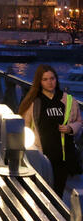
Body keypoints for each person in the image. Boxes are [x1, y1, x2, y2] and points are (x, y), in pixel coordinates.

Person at [19, 64, 83, 195]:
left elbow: (79, 122)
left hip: (63, 156)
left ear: (56, 79)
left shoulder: (69, 100)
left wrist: (70, 128)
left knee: (58, 192)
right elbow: (24, 125)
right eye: (45, 79)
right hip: (42, 154)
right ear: (39, 82)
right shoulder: (33, 102)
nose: (50, 82)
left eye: (52, 78)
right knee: (41, 191)